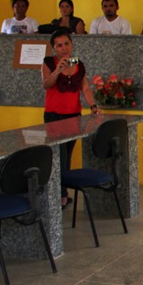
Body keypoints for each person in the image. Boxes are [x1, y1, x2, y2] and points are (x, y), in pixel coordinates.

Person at [41, 29, 99, 208]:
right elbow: (46, 84)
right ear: (54, 48)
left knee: (67, 157)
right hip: (54, 116)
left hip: (73, 116)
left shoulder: (79, 65)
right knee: (58, 156)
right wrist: (58, 70)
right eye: (59, 45)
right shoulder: (49, 62)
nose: (64, 48)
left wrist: (93, 106)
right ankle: (60, 195)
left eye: (66, 44)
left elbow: (85, 88)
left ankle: (63, 191)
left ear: (71, 44)